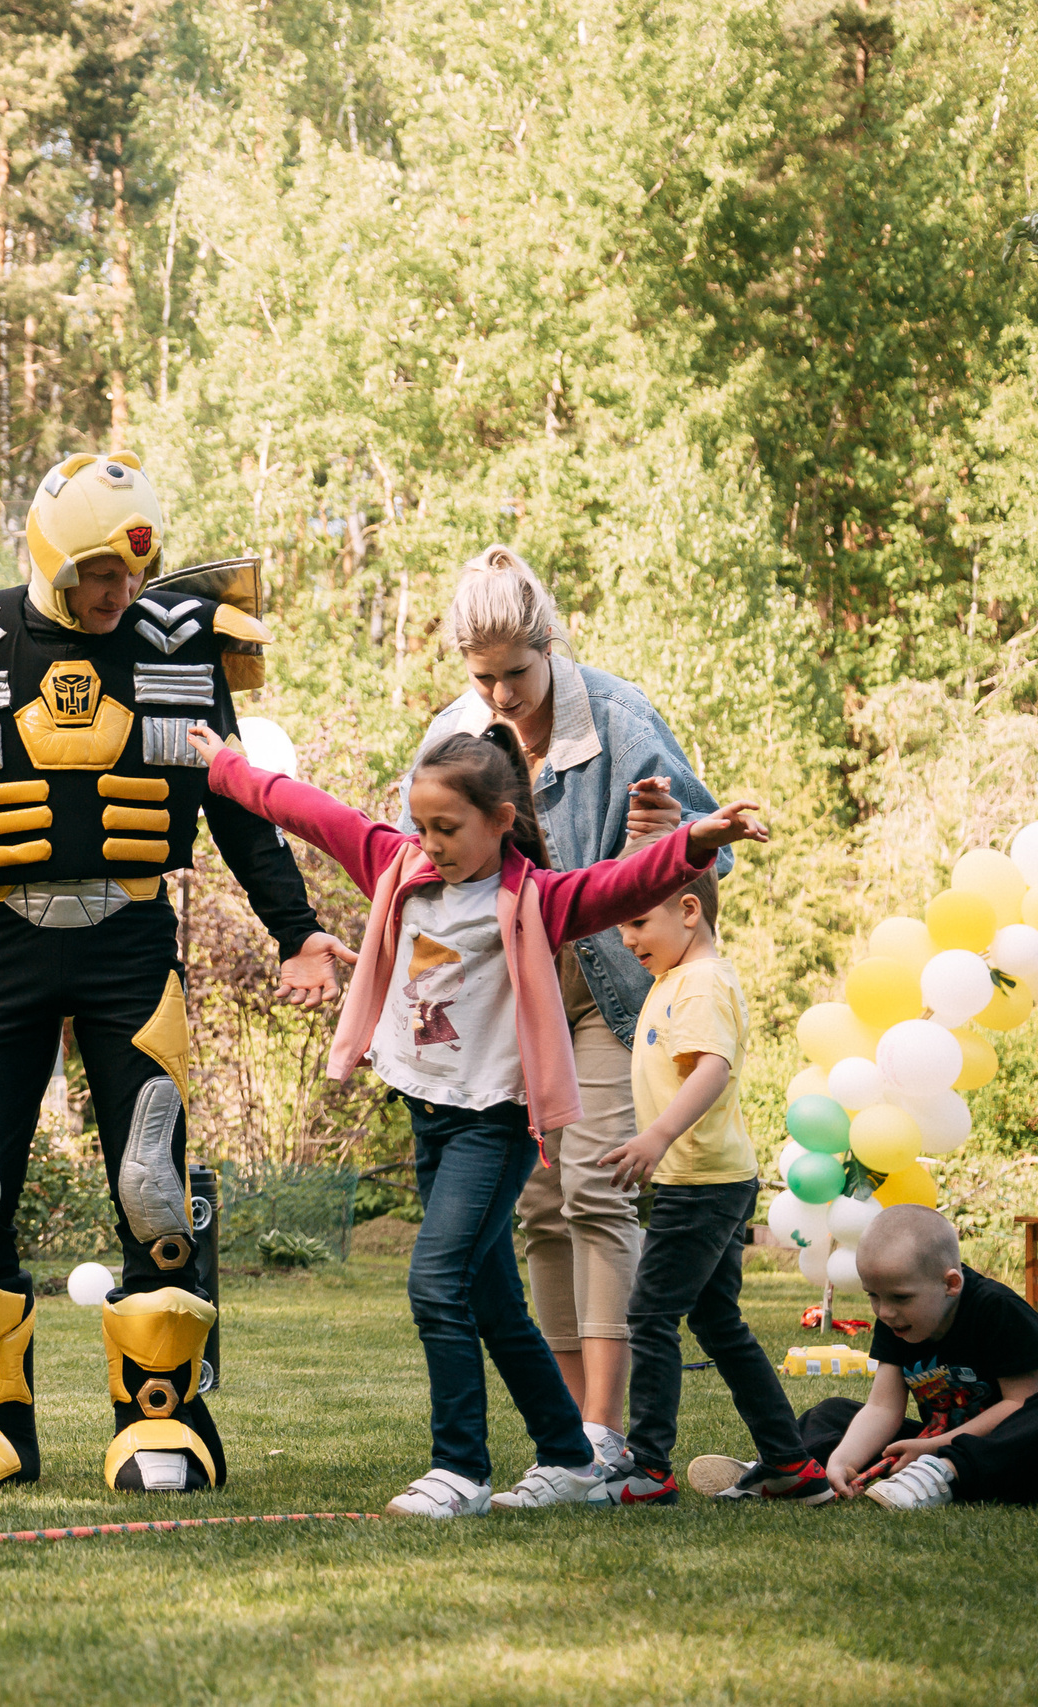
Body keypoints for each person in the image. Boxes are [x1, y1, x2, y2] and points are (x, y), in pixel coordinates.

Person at [0, 451, 352, 1495]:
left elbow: (237, 805)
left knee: (151, 1185)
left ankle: (162, 1418)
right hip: (3, 938)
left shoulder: (181, 643)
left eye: (132, 572)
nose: (119, 592)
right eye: (99, 573)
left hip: (132, 938)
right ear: (51, 558)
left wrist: (296, 930)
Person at [190, 720, 767, 1516]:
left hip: (493, 1124)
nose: (431, 843)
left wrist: (696, 838)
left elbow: (623, 885)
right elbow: (308, 810)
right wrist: (226, 766)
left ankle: (459, 1467)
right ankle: (570, 1457)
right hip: (429, 1114)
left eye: (448, 828)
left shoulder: (539, 898)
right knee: (493, 1299)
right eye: (422, 825)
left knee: (437, 1283)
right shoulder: (397, 864)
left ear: (500, 820)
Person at [403, 546, 730, 1472]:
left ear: (549, 643)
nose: (502, 695)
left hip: (609, 987)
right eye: (483, 677)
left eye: (517, 672)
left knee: (594, 1187)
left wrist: (664, 839)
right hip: (509, 994)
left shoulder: (621, 720)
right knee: (541, 1206)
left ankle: (604, 1426)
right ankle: (569, 1433)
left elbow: (711, 854)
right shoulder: (453, 734)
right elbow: (417, 864)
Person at [580, 873, 825, 1504]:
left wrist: (658, 1136)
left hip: (700, 1182)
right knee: (717, 1322)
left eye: (638, 923)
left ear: (689, 910)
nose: (625, 938)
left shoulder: (700, 983)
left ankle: (649, 1469)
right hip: (711, 1178)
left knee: (650, 1314)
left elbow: (712, 1069)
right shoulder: (677, 979)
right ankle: (790, 1464)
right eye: (621, 925)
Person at [699, 1205, 1038, 1509]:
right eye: (873, 1296)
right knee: (832, 1413)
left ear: (951, 1284)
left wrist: (937, 1450)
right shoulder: (897, 1321)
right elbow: (882, 1408)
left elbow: (1019, 1405)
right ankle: (789, 1467)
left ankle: (944, 1474)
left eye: (899, 1298)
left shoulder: (999, 1311)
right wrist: (844, 1459)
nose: (885, 1311)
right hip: (931, 1448)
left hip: (1017, 1459)